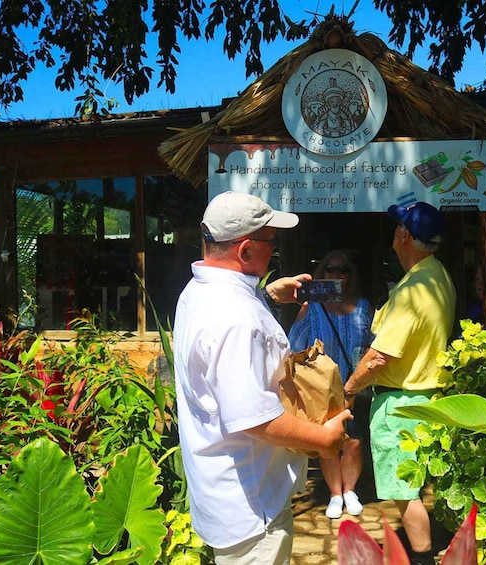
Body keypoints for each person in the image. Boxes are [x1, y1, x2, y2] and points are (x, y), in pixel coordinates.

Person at [172, 191, 351, 565]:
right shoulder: (237, 317)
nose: (275, 250)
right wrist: (324, 439)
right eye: (271, 241)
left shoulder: (197, 292)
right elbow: (256, 419)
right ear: (246, 250)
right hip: (254, 513)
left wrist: (267, 295)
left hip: (225, 494)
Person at [343, 201, 456, 565]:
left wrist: (348, 390)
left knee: (405, 494)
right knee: (417, 488)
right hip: (426, 397)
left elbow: (379, 357)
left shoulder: (412, 290)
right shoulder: (438, 275)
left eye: (397, 228)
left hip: (399, 403)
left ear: (404, 235)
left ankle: (420, 560)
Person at [288, 249, 374, 519]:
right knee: (328, 442)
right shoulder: (312, 307)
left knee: (355, 442)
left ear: (351, 275)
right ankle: (335, 494)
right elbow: (293, 345)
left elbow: (375, 345)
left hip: (356, 383)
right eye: (330, 270)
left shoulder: (363, 307)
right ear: (322, 272)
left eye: (342, 270)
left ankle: (350, 490)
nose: (336, 275)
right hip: (323, 387)